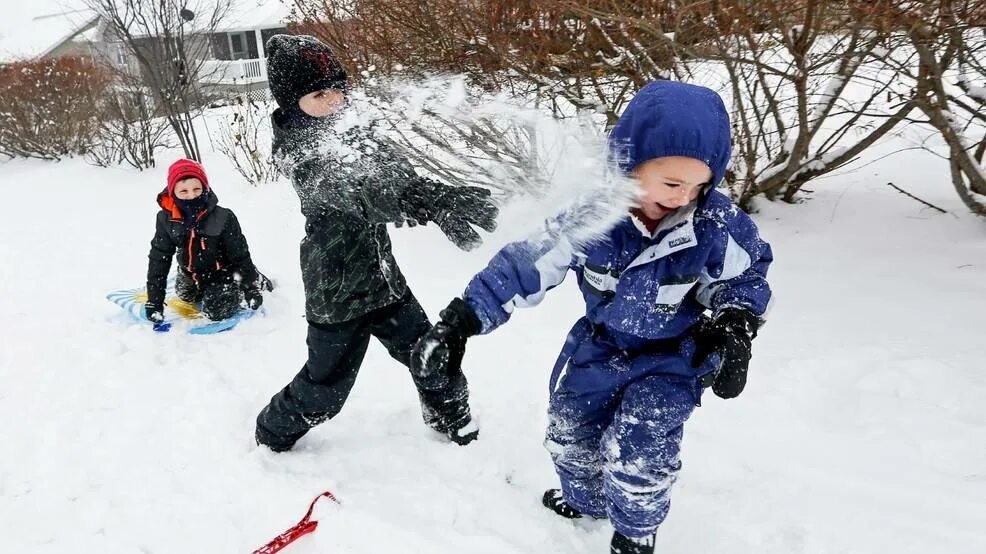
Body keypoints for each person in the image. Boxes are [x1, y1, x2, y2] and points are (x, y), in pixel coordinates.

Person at [411, 80, 773, 554]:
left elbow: (745, 279)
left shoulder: (714, 227)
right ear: (631, 165)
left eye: (699, 185)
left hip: (672, 358)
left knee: (642, 450)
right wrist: (461, 321)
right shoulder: (594, 216)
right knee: (568, 431)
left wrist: (734, 328)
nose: (685, 196)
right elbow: (526, 266)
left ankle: (635, 532)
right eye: (671, 183)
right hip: (599, 347)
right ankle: (586, 500)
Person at [254, 34, 499, 452]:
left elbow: (395, 179)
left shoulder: (354, 130)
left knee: (431, 355)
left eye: (338, 88)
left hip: (384, 281)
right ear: (291, 102)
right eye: (318, 93)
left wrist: (438, 199)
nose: (334, 100)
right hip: (337, 293)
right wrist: (423, 201)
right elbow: (361, 191)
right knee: (325, 390)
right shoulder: (300, 154)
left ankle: (451, 419)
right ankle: (271, 433)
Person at [146, 158, 271, 323]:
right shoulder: (165, 219)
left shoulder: (224, 217)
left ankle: (254, 280)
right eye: (183, 191)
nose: (191, 196)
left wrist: (250, 289)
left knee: (217, 311)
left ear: (205, 188)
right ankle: (199, 286)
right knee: (185, 296)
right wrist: (154, 300)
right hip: (190, 272)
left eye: (197, 189)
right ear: (172, 193)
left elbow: (239, 254)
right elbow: (159, 258)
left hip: (222, 273)